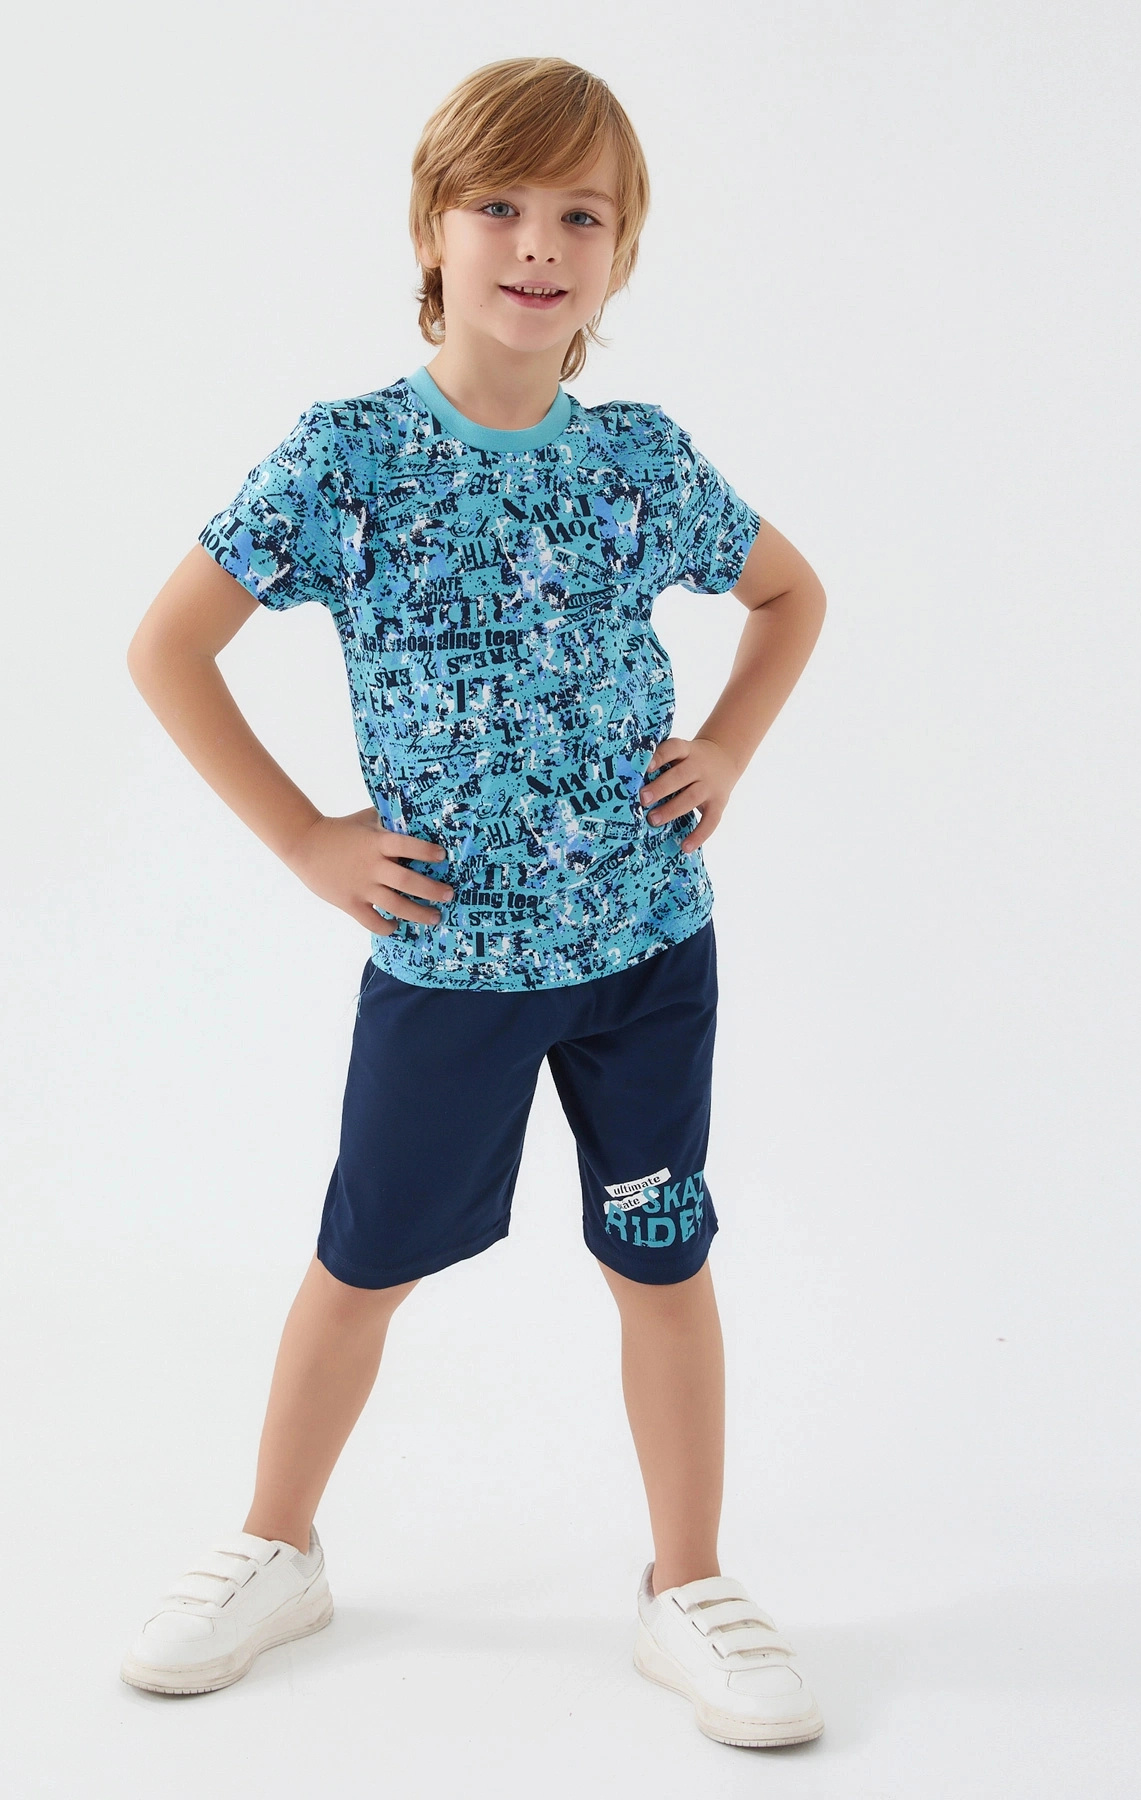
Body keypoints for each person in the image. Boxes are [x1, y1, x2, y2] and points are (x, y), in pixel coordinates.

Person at [119, 55, 827, 1748]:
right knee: (363, 1260)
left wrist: (729, 746)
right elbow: (168, 648)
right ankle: (276, 1545)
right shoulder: (350, 458)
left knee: (662, 1258)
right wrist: (308, 842)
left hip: (647, 951)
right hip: (450, 966)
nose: (538, 243)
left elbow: (791, 594)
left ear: (622, 251)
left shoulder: (639, 461)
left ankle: (686, 1580)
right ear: (432, 231)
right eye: (500, 205)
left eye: (582, 214)